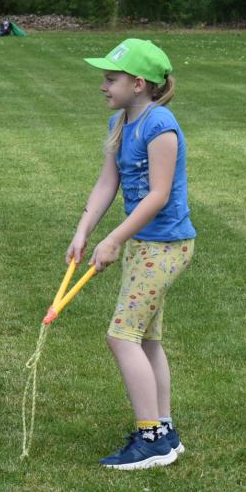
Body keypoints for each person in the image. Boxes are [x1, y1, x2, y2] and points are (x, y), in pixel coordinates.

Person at [66, 39, 194, 470]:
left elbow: (158, 196)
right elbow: (108, 183)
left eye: (111, 79)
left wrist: (114, 239)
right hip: (145, 245)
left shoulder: (161, 126)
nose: (103, 86)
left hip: (166, 245)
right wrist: (84, 231)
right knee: (147, 339)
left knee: (121, 336)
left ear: (138, 84)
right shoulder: (120, 123)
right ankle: (164, 430)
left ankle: (151, 437)